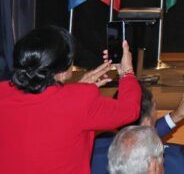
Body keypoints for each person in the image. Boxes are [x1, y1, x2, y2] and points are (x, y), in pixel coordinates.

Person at [0, 26, 140, 173]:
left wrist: (77, 90)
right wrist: (127, 72)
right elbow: (130, 110)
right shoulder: (81, 101)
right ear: (60, 73)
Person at [93, 81, 184, 174]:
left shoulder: (94, 150)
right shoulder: (175, 157)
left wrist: (175, 117)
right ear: (148, 122)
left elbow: (137, 138)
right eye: (156, 111)